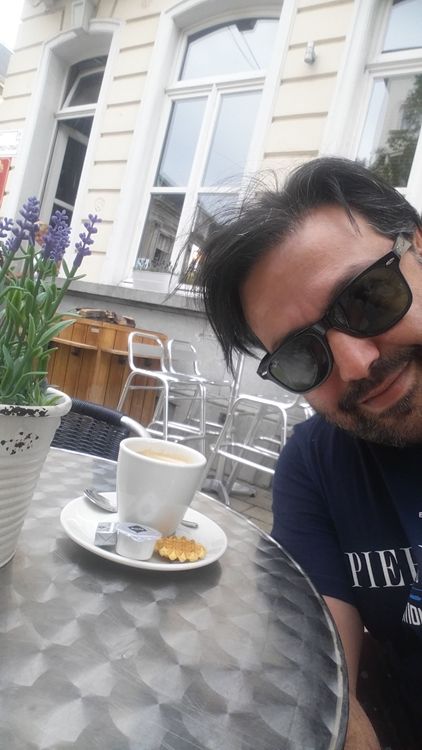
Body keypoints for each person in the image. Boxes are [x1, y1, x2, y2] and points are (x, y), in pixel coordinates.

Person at [195, 157, 422, 750]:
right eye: (303, 355)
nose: (356, 365)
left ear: (418, 250)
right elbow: (328, 686)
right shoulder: (316, 466)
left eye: (368, 297)